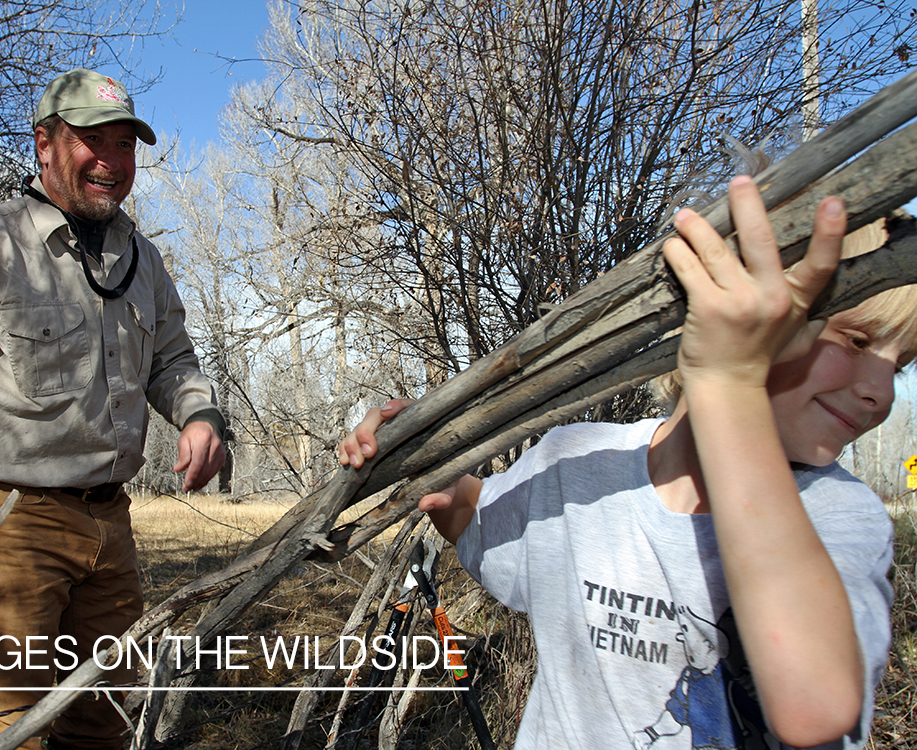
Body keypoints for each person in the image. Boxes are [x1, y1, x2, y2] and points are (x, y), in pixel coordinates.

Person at [340, 177, 917, 749]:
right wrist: (427, 452)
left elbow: (814, 707)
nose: (881, 394)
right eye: (858, 341)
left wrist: (729, 381)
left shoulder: (839, 519)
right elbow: (472, 515)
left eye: (900, 365)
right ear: (724, 306)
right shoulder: (582, 461)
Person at [0, 68, 226, 750]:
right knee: (11, 733)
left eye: (124, 145)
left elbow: (174, 362)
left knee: (105, 718)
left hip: (111, 523)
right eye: (92, 140)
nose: (110, 163)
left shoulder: (142, 260)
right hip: (9, 524)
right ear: (45, 145)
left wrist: (201, 416)